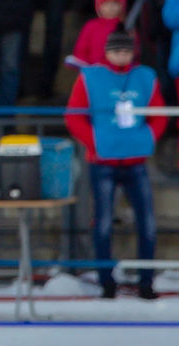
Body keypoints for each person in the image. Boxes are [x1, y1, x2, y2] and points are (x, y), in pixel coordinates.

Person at [64, 27, 165, 300]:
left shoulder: (146, 76)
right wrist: (95, 142)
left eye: (126, 51)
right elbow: (74, 115)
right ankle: (106, 282)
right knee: (103, 224)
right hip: (103, 162)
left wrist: (147, 138)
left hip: (136, 162)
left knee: (148, 224)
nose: (121, 56)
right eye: (116, 51)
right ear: (107, 52)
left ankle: (146, 282)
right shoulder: (90, 77)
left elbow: (159, 114)